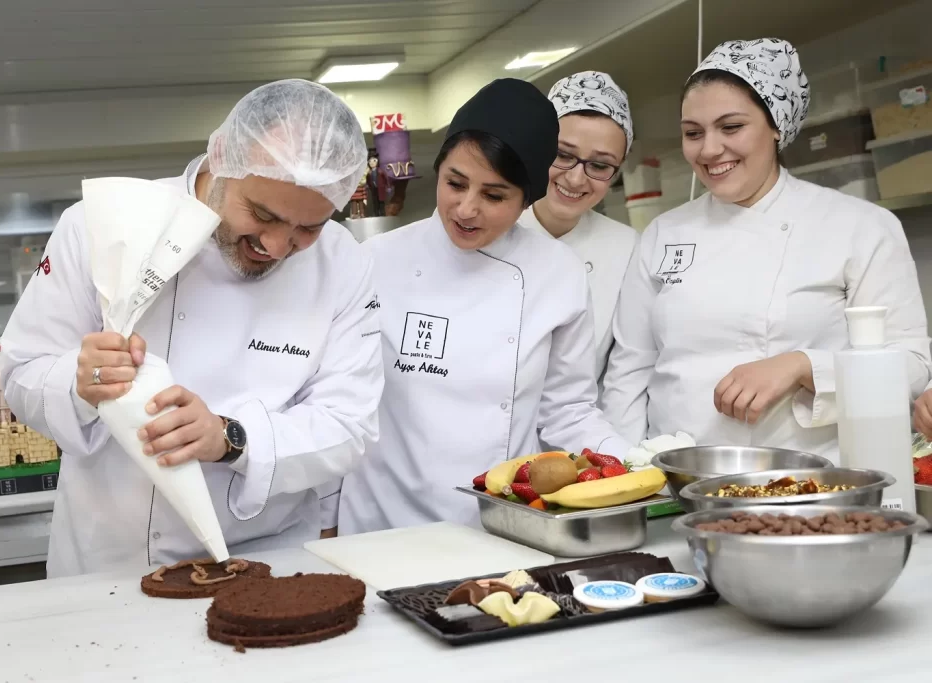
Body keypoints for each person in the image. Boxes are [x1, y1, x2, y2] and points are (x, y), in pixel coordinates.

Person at [0, 79, 383, 577]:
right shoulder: (101, 225)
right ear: (221, 156)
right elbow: (21, 373)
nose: (277, 244)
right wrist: (81, 382)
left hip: (264, 560)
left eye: (308, 228)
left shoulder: (343, 265)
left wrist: (231, 438)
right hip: (110, 561)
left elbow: (348, 424)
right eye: (262, 214)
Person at [602, 38, 931, 463]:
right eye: (692, 133)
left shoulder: (860, 226)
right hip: (680, 481)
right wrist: (625, 473)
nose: (709, 149)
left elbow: (912, 364)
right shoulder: (663, 233)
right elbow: (629, 372)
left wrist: (804, 366)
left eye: (731, 127)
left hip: (815, 480)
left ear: (777, 126)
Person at [337, 78, 632, 535]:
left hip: (501, 521)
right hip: (381, 522)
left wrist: (633, 466)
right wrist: (323, 517)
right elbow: (338, 405)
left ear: (526, 198)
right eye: (455, 183)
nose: (466, 209)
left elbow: (567, 411)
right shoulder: (375, 262)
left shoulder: (559, 273)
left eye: (494, 196)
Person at [517, 71, 638, 387]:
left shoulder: (627, 249)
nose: (575, 179)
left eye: (599, 165)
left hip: (581, 430)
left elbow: (627, 369)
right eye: (563, 155)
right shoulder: (487, 229)